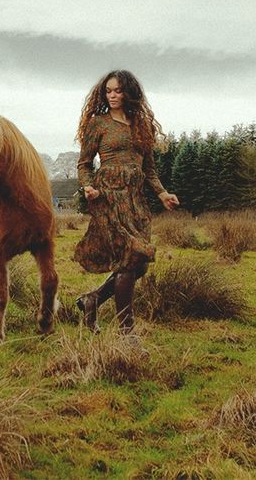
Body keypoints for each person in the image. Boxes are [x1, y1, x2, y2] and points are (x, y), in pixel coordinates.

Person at [73, 70, 179, 333]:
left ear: (129, 93)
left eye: (118, 91)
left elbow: (149, 169)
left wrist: (162, 193)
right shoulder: (98, 124)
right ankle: (127, 333)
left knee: (139, 265)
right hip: (108, 197)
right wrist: (88, 186)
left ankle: (93, 299)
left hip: (135, 201)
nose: (112, 96)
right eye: (108, 91)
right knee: (127, 261)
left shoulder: (141, 125)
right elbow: (84, 163)